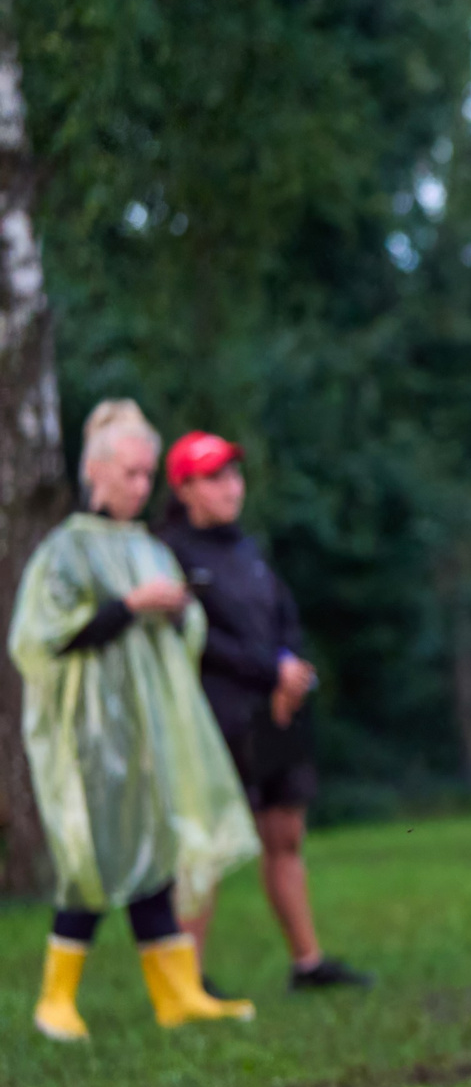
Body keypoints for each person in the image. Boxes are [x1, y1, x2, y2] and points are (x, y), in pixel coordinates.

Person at [13, 400, 260, 1041]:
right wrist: (129, 605)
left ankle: (178, 993)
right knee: (91, 858)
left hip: (149, 731)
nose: (141, 486)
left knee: (153, 854)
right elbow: (42, 639)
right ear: (96, 471)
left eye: (148, 474)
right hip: (91, 734)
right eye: (130, 473)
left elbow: (186, 636)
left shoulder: (148, 547)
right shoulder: (65, 551)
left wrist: (176, 612)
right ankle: (55, 998)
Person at [154, 431, 371, 990]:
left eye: (233, 474)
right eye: (214, 477)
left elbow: (283, 617)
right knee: (205, 847)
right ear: (184, 488)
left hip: (276, 715)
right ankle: (187, 980)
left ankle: (308, 963)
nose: (231, 486)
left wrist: (290, 672)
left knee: (285, 835)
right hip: (216, 722)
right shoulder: (167, 554)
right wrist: (268, 672)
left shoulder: (247, 549)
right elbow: (197, 638)